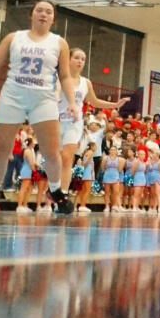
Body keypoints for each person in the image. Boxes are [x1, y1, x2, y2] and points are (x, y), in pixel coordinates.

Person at [0, 0, 77, 215]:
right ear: (31, 15)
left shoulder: (59, 43)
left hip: (43, 99)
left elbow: (64, 76)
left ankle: (56, 191)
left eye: (49, 12)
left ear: (53, 19)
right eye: (39, 10)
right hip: (13, 96)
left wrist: (73, 103)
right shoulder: (14, 38)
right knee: (1, 150)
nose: (43, 14)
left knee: (51, 152)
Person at [54, 48, 122, 209]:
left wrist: (115, 104)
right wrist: (56, 97)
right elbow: (56, 91)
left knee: (67, 157)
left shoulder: (86, 82)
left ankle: (62, 196)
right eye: (77, 57)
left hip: (74, 123)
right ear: (68, 59)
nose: (80, 61)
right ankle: (52, 192)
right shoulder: (59, 77)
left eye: (83, 59)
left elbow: (95, 101)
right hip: (56, 120)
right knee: (54, 159)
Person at [100, 145, 122, 214]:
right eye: (111, 149)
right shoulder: (105, 158)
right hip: (107, 175)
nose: (112, 151)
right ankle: (107, 206)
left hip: (115, 175)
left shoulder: (119, 159)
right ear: (109, 151)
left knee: (116, 192)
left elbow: (119, 169)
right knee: (107, 192)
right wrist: (106, 172)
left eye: (114, 150)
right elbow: (102, 167)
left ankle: (114, 206)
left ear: (116, 151)